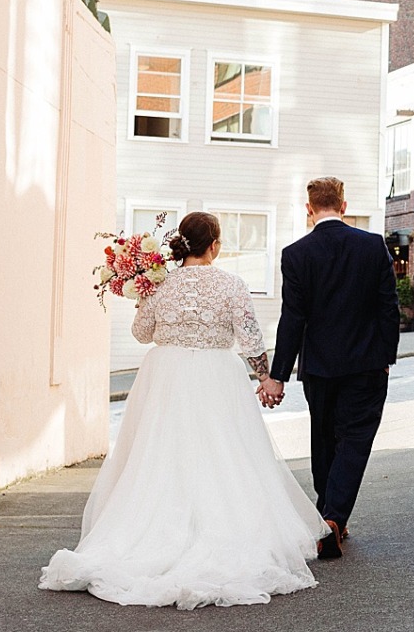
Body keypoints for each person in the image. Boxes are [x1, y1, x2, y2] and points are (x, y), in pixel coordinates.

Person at [40, 212, 329, 609]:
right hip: (216, 375)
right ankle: (223, 532)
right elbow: (248, 338)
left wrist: (143, 299)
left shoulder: (160, 285)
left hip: (167, 376)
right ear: (214, 245)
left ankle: (151, 535)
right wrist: (266, 378)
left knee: (160, 454)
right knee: (224, 454)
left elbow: (142, 334)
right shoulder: (231, 284)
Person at [267, 177, 400, 560]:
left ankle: (327, 515)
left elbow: (292, 319)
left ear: (309, 209)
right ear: (344, 205)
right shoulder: (372, 246)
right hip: (367, 363)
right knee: (354, 440)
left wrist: (279, 374)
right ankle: (333, 518)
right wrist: (386, 357)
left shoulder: (296, 254)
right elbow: (388, 308)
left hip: (320, 367)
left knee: (324, 440)